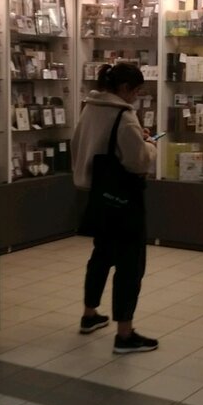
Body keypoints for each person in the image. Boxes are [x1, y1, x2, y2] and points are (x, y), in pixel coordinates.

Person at [71, 62, 159, 354]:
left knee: (101, 255)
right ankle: (124, 333)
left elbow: (80, 145)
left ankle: (89, 314)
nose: (136, 96)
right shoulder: (123, 115)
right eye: (136, 91)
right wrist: (149, 145)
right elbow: (137, 161)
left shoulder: (90, 107)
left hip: (97, 195)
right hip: (124, 199)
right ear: (123, 88)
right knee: (130, 265)